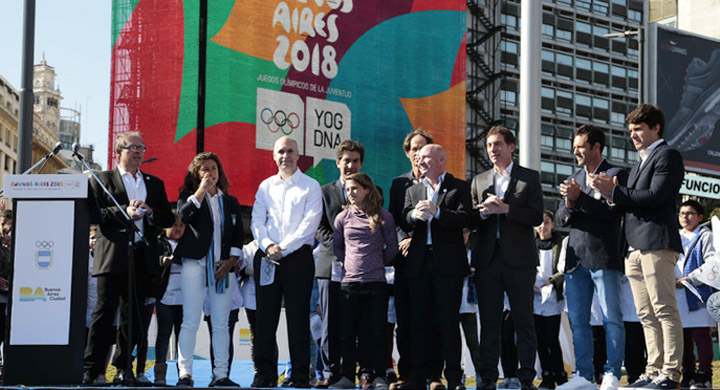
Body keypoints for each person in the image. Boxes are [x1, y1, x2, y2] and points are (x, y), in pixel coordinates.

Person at [590, 104, 684, 389]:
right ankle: (653, 370)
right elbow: (628, 203)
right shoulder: (640, 163)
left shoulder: (668, 155)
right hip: (634, 247)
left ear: (656, 128)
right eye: (630, 131)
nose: (633, 135)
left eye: (639, 129)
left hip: (656, 242)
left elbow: (656, 196)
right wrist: (611, 196)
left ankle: (670, 373)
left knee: (664, 309)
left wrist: (615, 191)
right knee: (645, 314)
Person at [82, 131, 174, 385]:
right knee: (103, 313)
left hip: (142, 256)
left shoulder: (153, 183)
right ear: (118, 151)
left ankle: (123, 368)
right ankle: (92, 369)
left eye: (141, 148)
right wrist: (125, 211)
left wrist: (150, 212)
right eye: (132, 147)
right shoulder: (101, 180)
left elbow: (167, 218)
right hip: (112, 255)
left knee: (132, 317)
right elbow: (94, 214)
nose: (138, 152)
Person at [470, 126, 543, 390]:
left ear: (512, 146)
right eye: (489, 145)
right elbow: (471, 218)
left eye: (498, 144)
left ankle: (526, 378)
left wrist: (507, 209)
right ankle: (487, 377)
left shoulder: (529, 177)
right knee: (489, 323)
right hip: (487, 260)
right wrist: (483, 212)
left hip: (520, 261)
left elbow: (536, 216)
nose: (493, 149)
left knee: (524, 322)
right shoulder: (478, 180)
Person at [555, 125, 628, 390]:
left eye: (581, 146)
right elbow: (560, 218)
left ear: (596, 147)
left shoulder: (616, 174)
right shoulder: (574, 177)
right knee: (578, 321)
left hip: (604, 257)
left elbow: (613, 213)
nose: (575, 151)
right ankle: (583, 375)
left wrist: (580, 198)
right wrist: (571, 203)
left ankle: (611, 373)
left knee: (611, 318)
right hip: (576, 261)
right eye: (574, 147)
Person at [250, 136, 322, 389]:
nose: (285, 156)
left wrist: (284, 248)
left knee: (298, 318)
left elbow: (309, 225)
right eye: (281, 151)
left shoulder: (311, 186)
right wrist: (269, 245)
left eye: (290, 151)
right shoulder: (265, 186)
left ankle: (301, 375)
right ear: (274, 155)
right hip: (268, 256)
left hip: (298, 258)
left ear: (298, 154)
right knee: (265, 319)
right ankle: (265, 374)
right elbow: (257, 221)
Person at [399, 143, 471, 390]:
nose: (420, 160)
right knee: (419, 323)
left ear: (441, 159)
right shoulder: (413, 189)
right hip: (419, 263)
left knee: (448, 323)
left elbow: (466, 218)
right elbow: (404, 219)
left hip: (447, 265)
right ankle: (418, 379)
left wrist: (438, 212)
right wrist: (413, 217)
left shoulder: (459, 186)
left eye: (426, 157)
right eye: (418, 157)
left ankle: (453, 379)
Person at [174, 152, 244, 387]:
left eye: (213, 168)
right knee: (190, 321)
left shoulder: (230, 202)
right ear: (196, 174)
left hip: (221, 270)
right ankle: (185, 374)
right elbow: (183, 216)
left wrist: (231, 260)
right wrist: (201, 192)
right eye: (204, 169)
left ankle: (221, 375)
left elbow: (237, 236)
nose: (210, 173)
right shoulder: (189, 196)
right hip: (195, 265)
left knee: (221, 323)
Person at [330, 172, 398, 389]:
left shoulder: (384, 216)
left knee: (377, 331)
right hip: (349, 284)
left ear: (367, 189)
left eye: (355, 189)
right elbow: (338, 247)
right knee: (347, 333)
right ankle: (347, 377)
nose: (350, 193)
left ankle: (378, 376)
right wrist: (350, 264)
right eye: (348, 189)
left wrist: (376, 263)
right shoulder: (341, 218)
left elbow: (393, 248)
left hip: (376, 284)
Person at [388, 130, 444, 390]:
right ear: (408, 152)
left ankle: (435, 374)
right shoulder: (399, 183)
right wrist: (403, 239)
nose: (418, 153)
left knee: (434, 319)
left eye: (423, 148)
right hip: (407, 260)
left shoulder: (443, 182)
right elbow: (395, 218)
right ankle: (407, 373)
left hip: (434, 260)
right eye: (413, 148)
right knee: (407, 319)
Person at [315, 140, 367, 388]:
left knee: (357, 324)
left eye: (355, 160)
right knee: (330, 324)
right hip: (331, 266)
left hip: (362, 270)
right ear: (338, 162)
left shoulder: (372, 191)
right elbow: (320, 229)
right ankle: (329, 372)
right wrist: (342, 249)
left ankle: (355, 373)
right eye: (346, 160)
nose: (350, 164)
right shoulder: (324, 192)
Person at [674, 200, 715, 389]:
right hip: (677, 292)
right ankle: (688, 373)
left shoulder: (706, 236)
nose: (685, 217)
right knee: (682, 336)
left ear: (700, 217)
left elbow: (711, 263)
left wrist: (690, 279)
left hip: (698, 292)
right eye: (682, 213)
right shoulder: (675, 235)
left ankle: (704, 375)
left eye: (690, 213)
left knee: (701, 334)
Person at [533, 211, 566, 390]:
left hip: (552, 296)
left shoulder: (560, 243)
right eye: (539, 224)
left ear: (552, 224)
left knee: (552, 338)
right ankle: (546, 374)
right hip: (535, 297)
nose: (542, 227)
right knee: (540, 339)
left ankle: (559, 373)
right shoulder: (530, 244)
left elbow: (563, 268)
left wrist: (551, 281)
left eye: (546, 223)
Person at [153, 214, 185, 385]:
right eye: (173, 225)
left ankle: (184, 374)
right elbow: (151, 261)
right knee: (164, 335)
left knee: (183, 336)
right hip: (164, 295)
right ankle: (160, 375)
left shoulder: (190, 243)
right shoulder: (158, 243)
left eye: (181, 225)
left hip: (186, 298)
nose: (177, 228)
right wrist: (161, 261)